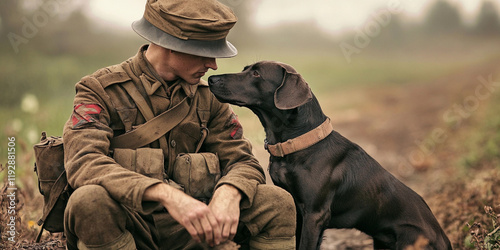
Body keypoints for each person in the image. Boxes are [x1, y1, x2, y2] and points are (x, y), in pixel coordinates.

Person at [62, 0, 296, 249]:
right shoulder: (100, 90)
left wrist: (229, 192)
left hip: (197, 227)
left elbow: (243, 161)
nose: (214, 65)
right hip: (131, 223)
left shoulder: (208, 98)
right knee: (89, 201)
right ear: (170, 45)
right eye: (205, 53)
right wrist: (166, 195)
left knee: (277, 202)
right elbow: (85, 162)